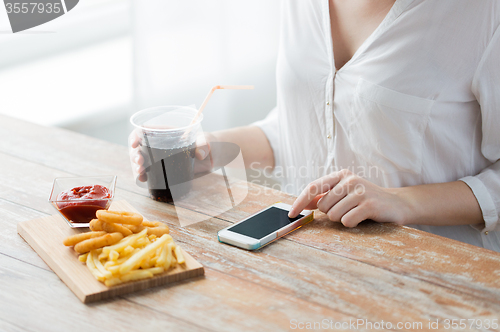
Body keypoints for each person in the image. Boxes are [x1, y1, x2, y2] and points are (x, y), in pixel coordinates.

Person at [131, 0, 500, 252]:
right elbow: (301, 126)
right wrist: (209, 151)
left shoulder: (481, 15)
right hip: (310, 259)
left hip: (438, 280)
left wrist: (400, 201)